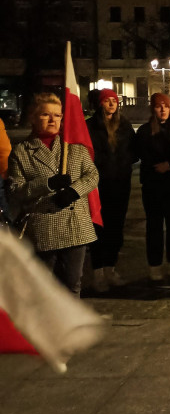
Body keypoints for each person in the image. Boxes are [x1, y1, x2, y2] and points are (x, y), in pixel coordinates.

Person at [6, 92, 99, 297]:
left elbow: (92, 175)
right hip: (43, 229)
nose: (52, 120)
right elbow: (15, 191)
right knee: (44, 291)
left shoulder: (74, 148)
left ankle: (71, 328)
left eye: (57, 115)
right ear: (33, 117)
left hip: (75, 226)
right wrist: (46, 184)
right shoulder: (21, 152)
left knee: (72, 286)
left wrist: (74, 191)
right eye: (46, 115)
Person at [135, 92, 170, 282]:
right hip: (153, 184)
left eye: (166, 106)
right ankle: (155, 265)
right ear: (153, 109)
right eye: (159, 106)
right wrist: (157, 166)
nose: (163, 109)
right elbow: (142, 153)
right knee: (154, 226)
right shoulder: (144, 131)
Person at [86, 88, 137, 290]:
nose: (111, 104)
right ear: (100, 103)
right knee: (98, 227)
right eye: (107, 100)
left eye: (114, 101)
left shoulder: (124, 126)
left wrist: (124, 165)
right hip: (98, 184)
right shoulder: (91, 126)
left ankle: (111, 268)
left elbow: (133, 150)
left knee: (116, 227)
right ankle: (98, 273)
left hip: (120, 183)